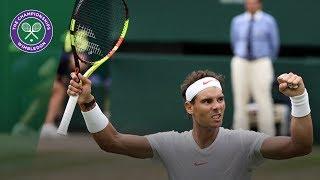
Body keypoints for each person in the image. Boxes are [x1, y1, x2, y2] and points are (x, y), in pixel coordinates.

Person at [67, 69, 312, 180]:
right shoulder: (170, 143)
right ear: (189, 107)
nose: (217, 106)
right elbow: (112, 142)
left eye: (220, 99)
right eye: (207, 101)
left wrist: (299, 98)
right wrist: (88, 102)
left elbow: (299, 146)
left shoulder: (244, 142)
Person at [230, 0, 280, 135]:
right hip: (241, 61)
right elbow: (234, 42)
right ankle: (239, 137)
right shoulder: (237, 21)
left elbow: (274, 44)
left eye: (254, 2)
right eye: (248, 2)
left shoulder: (269, 21)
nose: (251, 5)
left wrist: (265, 58)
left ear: (259, 4)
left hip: (261, 62)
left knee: (263, 98)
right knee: (240, 99)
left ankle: (268, 137)